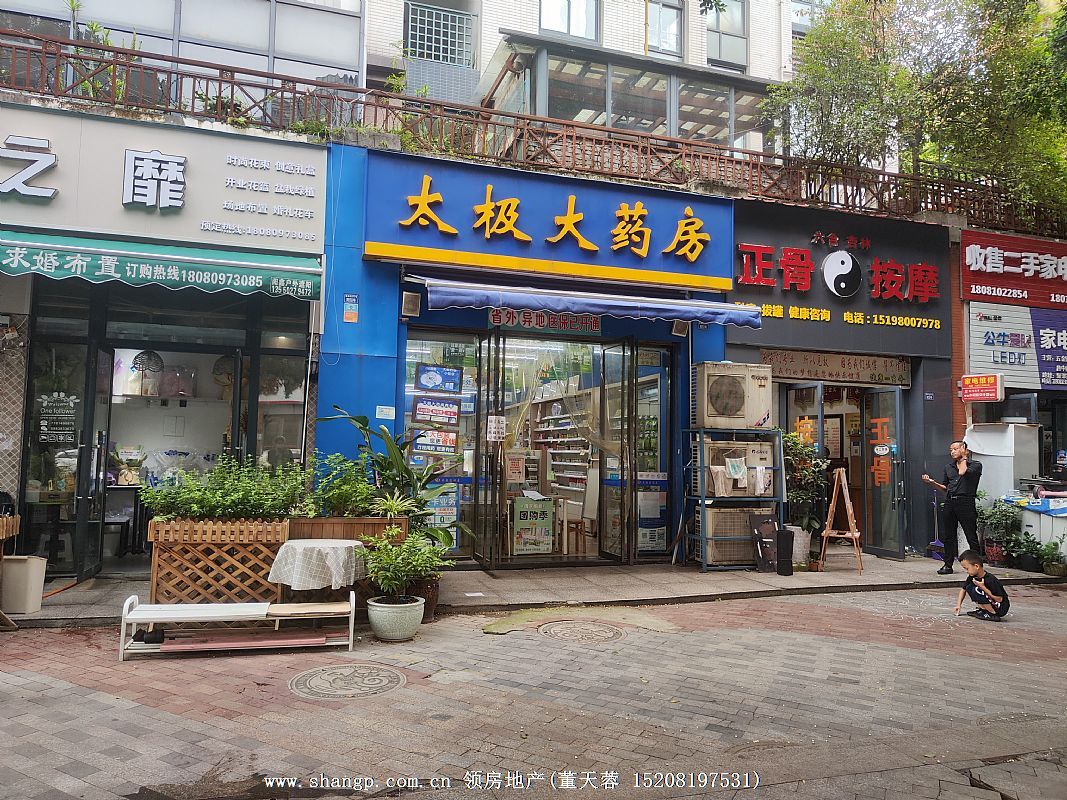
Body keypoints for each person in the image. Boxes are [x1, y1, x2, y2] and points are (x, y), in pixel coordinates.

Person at [922, 439, 983, 575]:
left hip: (966, 502)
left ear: (964, 449)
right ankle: (948, 564)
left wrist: (964, 458)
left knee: (970, 535)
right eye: (951, 450)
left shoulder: (975, 465)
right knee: (948, 535)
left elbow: (962, 472)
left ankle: (977, 565)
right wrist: (932, 482)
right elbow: (945, 488)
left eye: (955, 449)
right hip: (950, 501)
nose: (952, 452)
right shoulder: (948, 467)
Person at [953, 549, 1010, 621]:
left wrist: (983, 587)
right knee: (969, 587)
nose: (966, 571)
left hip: (1000, 607)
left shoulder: (991, 580)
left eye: (967, 568)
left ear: (976, 566)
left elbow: (999, 599)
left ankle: (992, 613)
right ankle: (983, 610)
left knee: (976, 590)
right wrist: (958, 605)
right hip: (991, 602)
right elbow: (963, 589)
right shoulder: (972, 576)